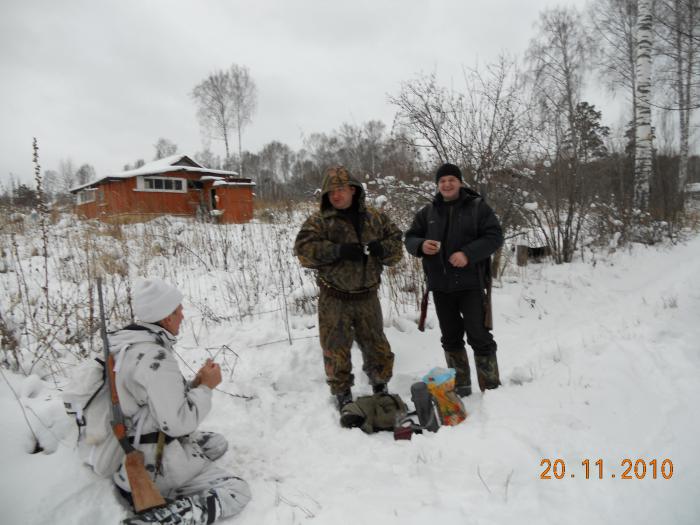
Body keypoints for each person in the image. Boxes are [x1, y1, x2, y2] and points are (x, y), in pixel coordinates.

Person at [112, 278, 250, 525]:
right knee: (236, 491)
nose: (183, 315)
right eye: (179, 310)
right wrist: (206, 388)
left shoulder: (127, 345)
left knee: (216, 443)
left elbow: (153, 400)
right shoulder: (155, 358)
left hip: (130, 445)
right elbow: (178, 424)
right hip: (153, 463)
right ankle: (163, 518)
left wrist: (195, 383)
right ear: (166, 317)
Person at [294, 166, 403, 410]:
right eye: (330, 191)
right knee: (335, 349)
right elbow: (304, 252)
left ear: (353, 190)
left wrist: (381, 249)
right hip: (335, 297)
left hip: (367, 297)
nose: (335, 195)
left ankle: (380, 386)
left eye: (341, 189)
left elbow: (396, 247)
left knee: (377, 346)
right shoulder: (319, 221)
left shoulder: (375, 218)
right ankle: (342, 393)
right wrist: (338, 251)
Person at [405, 163, 503, 397]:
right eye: (442, 181)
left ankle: (491, 388)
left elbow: (494, 237)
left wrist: (468, 254)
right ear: (437, 185)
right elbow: (409, 238)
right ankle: (461, 386)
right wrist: (420, 245)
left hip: (471, 284)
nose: (447, 184)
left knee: (479, 336)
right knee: (450, 337)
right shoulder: (427, 212)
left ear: (460, 182)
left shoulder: (478, 208)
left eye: (451, 179)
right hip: (441, 287)